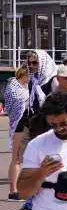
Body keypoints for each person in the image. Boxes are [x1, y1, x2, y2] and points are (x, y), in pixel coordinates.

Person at [5, 65, 33, 202]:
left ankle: (19, 189)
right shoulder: (14, 86)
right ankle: (13, 191)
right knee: (16, 158)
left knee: (23, 158)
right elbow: (13, 106)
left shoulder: (26, 86)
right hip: (19, 123)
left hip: (25, 123)